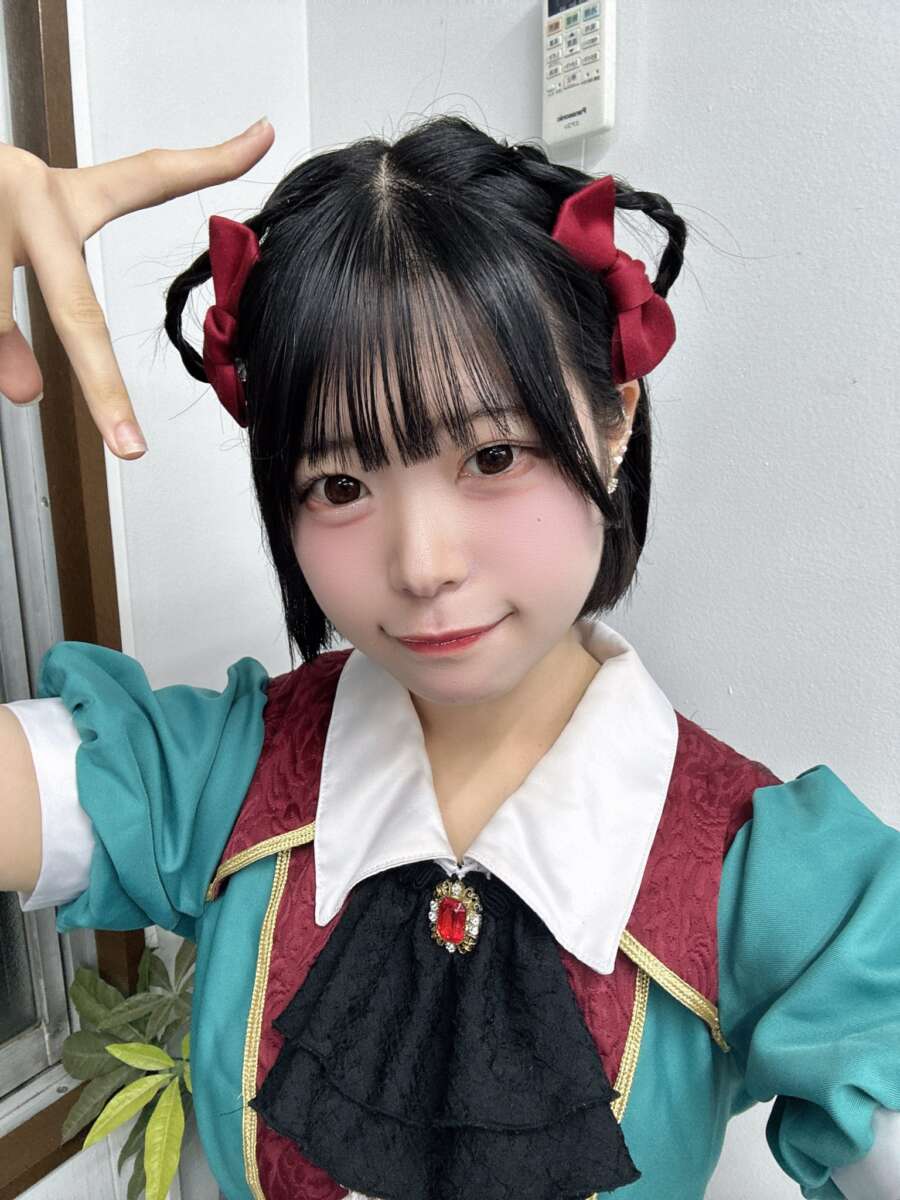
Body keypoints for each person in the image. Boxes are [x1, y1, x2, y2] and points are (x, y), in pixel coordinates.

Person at [1, 114, 897, 1200]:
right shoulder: (217, 777)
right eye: (340, 485)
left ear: (614, 418)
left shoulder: (770, 882)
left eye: (494, 455)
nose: (421, 566)